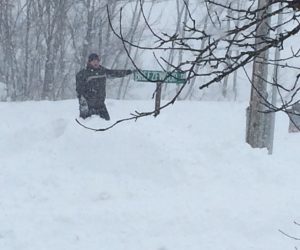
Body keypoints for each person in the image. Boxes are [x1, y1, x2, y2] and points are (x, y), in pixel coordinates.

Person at [76, 53, 133, 120]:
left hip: (101, 105)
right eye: (93, 61)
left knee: (106, 125)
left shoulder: (102, 71)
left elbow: (114, 73)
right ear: (89, 62)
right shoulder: (83, 74)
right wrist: (84, 106)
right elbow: (80, 91)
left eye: (97, 61)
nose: (96, 62)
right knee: (88, 126)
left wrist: (128, 72)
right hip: (88, 106)